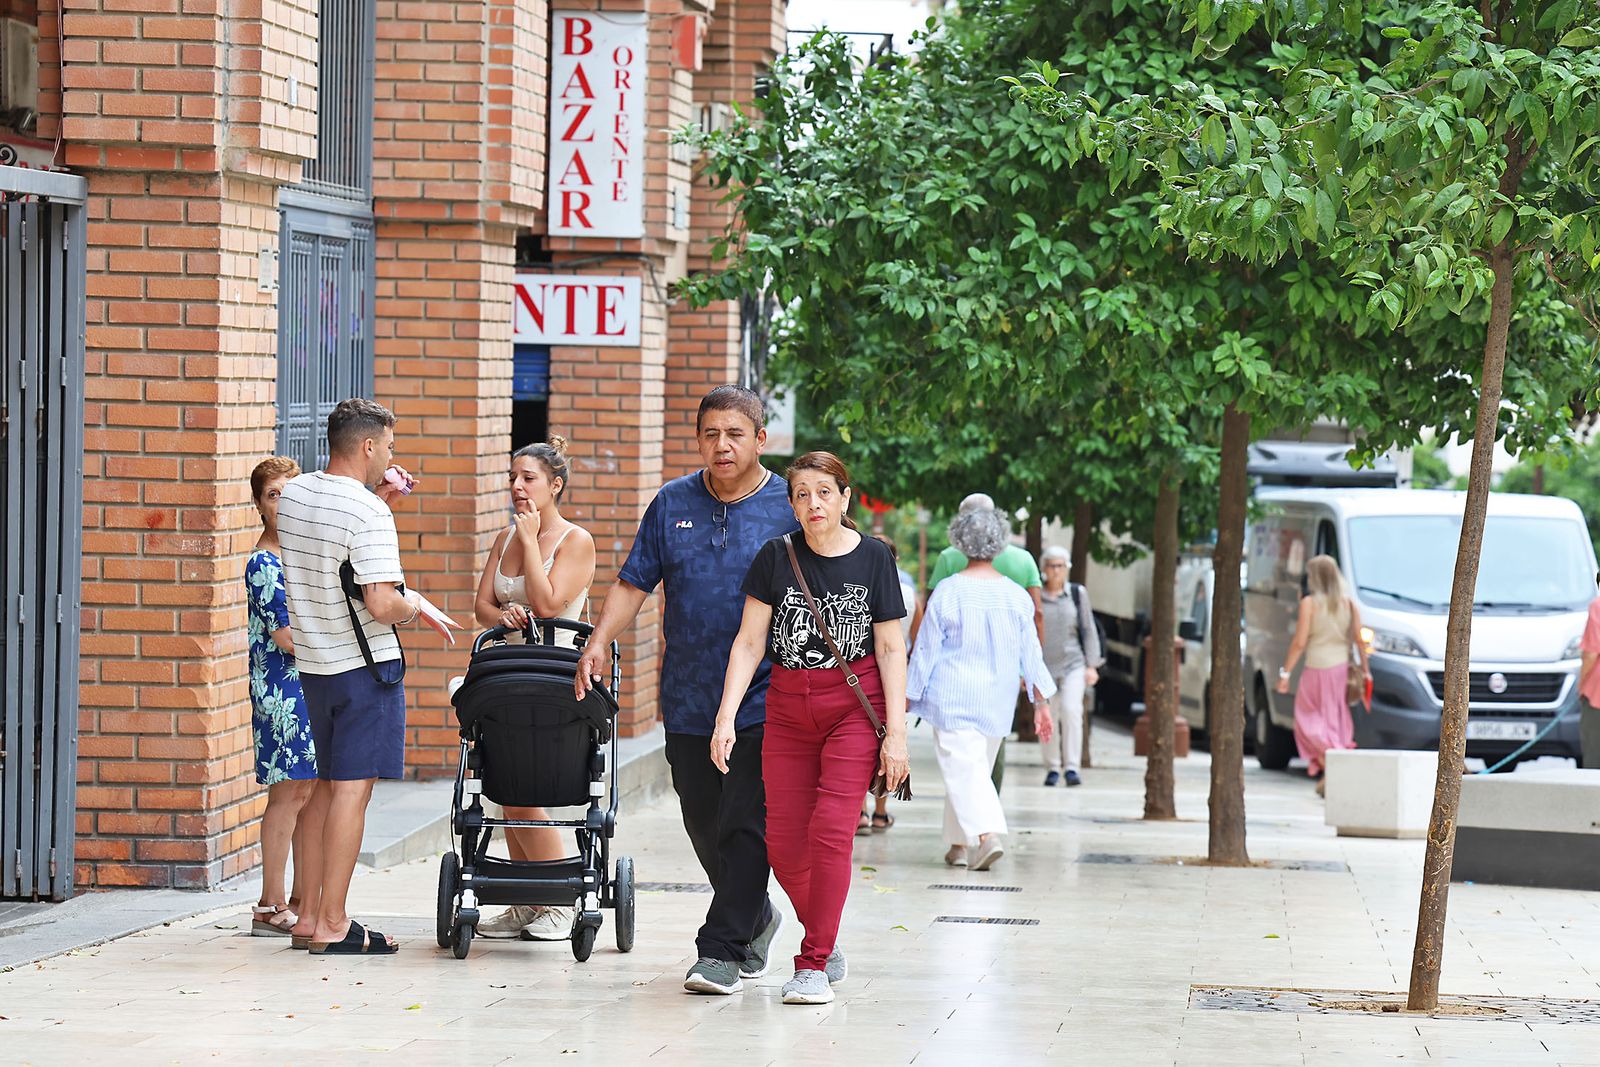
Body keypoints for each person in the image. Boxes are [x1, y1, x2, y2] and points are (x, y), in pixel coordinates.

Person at [574, 386, 799, 996]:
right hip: (690, 695)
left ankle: (720, 950)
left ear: (760, 438)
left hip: (766, 696)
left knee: (745, 823)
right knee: (704, 820)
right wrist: (597, 641)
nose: (721, 445)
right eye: (709, 434)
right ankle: (754, 916)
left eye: (734, 433)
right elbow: (633, 583)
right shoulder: (673, 501)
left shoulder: (789, 505)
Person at [712, 452, 909, 1006]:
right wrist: (726, 716)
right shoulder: (775, 557)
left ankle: (814, 961)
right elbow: (750, 641)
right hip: (788, 707)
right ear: (791, 503)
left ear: (845, 498)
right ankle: (826, 931)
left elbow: (892, 647)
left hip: (852, 704)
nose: (813, 503)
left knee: (830, 832)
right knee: (782, 844)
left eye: (824, 492)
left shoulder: (874, 559)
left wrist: (896, 734)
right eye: (801, 494)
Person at [277, 398, 457, 954]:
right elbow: (380, 602)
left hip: (314, 664)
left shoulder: (297, 495)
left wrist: (379, 502)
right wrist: (413, 607)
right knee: (352, 794)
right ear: (370, 446)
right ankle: (333, 923)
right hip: (364, 671)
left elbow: (335, 554)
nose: (392, 456)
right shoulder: (367, 513)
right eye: (391, 446)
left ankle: (306, 915)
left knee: (322, 793)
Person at [471, 437, 595, 942]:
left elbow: (547, 606)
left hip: (555, 677)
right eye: (513, 478)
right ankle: (527, 900)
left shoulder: (575, 541)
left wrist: (529, 542)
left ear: (555, 485)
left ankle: (561, 898)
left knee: (522, 788)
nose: (517, 487)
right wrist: (502, 615)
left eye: (529, 479)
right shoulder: (503, 538)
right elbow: (481, 606)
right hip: (504, 670)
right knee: (502, 788)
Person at [907, 508, 1055, 872]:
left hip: (952, 695)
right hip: (997, 700)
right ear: (999, 542)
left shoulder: (948, 591)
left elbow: (926, 649)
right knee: (972, 771)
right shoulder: (1017, 596)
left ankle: (987, 836)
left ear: (959, 541)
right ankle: (959, 845)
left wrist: (908, 694)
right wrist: (1041, 703)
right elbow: (1031, 653)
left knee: (965, 771)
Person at [920, 492, 1044, 790]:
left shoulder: (950, 557)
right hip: (1005, 665)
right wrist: (1032, 671)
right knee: (993, 739)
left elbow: (930, 613)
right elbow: (1036, 614)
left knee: (959, 751)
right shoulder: (1023, 559)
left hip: (956, 669)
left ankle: (975, 823)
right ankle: (989, 803)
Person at [245, 457, 318, 937]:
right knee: (288, 793)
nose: (283, 502)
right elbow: (288, 637)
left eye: (290, 493)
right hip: (281, 691)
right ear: (259, 505)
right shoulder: (264, 563)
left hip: (308, 686)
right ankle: (269, 905)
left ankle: (296, 898)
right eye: (274, 495)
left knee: (305, 792)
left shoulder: (299, 553)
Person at [1276, 554, 1370, 796]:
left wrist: (1285, 673)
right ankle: (1333, 769)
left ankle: (1333, 767)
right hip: (1340, 669)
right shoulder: (1348, 604)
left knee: (1307, 718)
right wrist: (1366, 672)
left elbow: (1299, 641)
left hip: (1316, 668)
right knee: (1334, 720)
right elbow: (1359, 640)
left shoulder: (1310, 603)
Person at [858, 533, 916, 834]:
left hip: (863, 678)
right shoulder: (907, 593)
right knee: (886, 741)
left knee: (861, 747)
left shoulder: (858, 589)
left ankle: (862, 814)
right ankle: (881, 812)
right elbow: (912, 641)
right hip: (894, 678)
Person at [1039, 545, 1103, 787]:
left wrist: (1092, 665)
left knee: (1071, 710)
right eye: (1052, 565)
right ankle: (1053, 767)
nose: (1056, 571)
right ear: (1044, 569)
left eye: (1061, 566)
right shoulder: (1036, 595)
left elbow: (1088, 629)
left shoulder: (1077, 594)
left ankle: (1072, 767)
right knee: (1047, 716)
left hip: (1073, 664)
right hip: (1044, 667)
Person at [1580, 582, 1600, 769]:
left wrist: (1581, 684)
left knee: (1594, 760)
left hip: (1596, 694)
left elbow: (1591, 653)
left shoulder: (1598, 606)